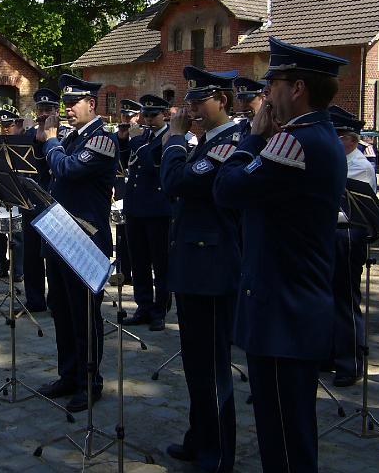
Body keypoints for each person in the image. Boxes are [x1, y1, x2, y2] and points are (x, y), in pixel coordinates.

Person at [213, 37, 347, 473]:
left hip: (283, 309)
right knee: (284, 430)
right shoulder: (313, 135)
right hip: (288, 303)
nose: (266, 92)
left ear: (298, 88)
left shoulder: (295, 142)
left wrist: (251, 141)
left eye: (275, 82)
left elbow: (227, 189)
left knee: (285, 438)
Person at [160, 67, 242, 472]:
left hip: (212, 269)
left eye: (199, 100)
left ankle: (219, 453)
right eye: (190, 100)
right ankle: (200, 437)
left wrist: (174, 138)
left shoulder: (230, 143)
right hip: (194, 265)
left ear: (222, 101)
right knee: (195, 363)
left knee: (211, 366)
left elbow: (176, 182)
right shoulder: (208, 142)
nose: (190, 108)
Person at [36, 73, 118, 413]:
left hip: (85, 240)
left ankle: (89, 381)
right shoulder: (72, 138)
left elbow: (67, 170)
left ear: (92, 105)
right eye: (65, 104)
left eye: (74, 103)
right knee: (61, 310)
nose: (68, 109)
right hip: (60, 236)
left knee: (84, 314)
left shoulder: (102, 140)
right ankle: (68, 373)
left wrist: (51, 141)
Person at [328, 107, 377, 388]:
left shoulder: (358, 165)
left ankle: (351, 362)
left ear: (352, 141)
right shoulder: (336, 158)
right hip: (328, 233)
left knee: (346, 299)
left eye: (338, 137)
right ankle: (329, 353)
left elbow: (347, 207)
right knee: (327, 296)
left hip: (347, 235)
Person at [121, 94, 172, 332]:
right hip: (135, 207)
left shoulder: (170, 139)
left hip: (157, 209)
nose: (149, 120)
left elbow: (153, 166)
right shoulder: (141, 138)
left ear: (165, 115)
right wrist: (124, 142)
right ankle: (143, 305)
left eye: (154, 115)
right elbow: (124, 164)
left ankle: (159, 310)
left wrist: (134, 142)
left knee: (160, 262)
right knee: (138, 260)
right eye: (146, 115)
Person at [22, 89, 65, 312]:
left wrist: (48, 138)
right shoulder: (29, 135)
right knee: (30, 255)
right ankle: (35, 300)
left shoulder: (63, 135)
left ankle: (56, 299)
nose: (43, 114)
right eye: (40, 109)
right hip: (30, 201)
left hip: (53, 202)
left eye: (48, 110)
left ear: (56, 112)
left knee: (52, 255)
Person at [0, 105, 25, 283]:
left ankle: (18, 270)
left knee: (17, 234)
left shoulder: (22, 144)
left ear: (16, 124)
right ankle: (0, 267)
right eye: (2, 125)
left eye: (9, 125)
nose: (5, 129)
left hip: (17, 193)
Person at [112, 99, 141, 286]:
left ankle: (137, 275)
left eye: (130, 116)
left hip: (140, 193)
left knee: (137, 239)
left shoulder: (143, 136)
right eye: (124, 116)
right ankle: (123, 273)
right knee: (121, 235)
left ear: (138, 117)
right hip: (122, 189)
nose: (127, 119)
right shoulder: (116, 137)